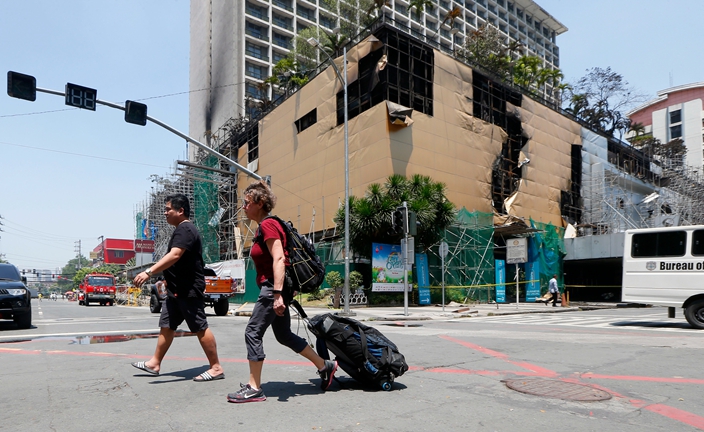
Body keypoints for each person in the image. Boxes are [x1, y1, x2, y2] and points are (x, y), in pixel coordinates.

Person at [228, 181, 337, 403]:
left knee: (253, 331)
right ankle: (325, 366)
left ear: (259, 203)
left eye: (246, 203)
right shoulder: (267, 225)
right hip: (278, 287)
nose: (243, 208)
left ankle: (254, 387)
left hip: (273, 287)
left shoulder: (268, 225)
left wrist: (277, 294)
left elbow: (279, 258)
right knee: (284, 335)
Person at [131, 193, 225, 382]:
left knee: (199, 327)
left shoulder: (186, 229)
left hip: (188, 289)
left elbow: (175, 255)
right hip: (176, 290)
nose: (165, 213)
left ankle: (216, 368)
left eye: (168, 209)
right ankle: (155, 362)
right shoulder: (181, 230)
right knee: (167, 325)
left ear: (180, 211)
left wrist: (148, 272)